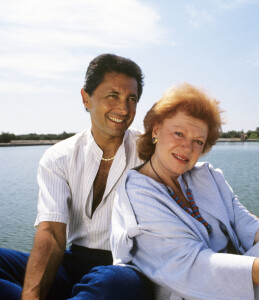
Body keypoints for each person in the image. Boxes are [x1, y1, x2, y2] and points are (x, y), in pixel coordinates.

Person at [110, 83, 259, 300]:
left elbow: (248, 226)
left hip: (240, 282)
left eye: (197, 141)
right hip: (191, 294)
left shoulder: (207, 177)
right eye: (178, 133)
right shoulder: (137, 195)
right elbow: (193, 268)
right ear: (156, 130)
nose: (187, 147)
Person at [0, 54, 153, 300]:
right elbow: (51, 232)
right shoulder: (59, 157)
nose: (123, 109)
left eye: (131, 99)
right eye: (113, 96)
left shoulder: (150, 152)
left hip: (125, 269)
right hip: (74, 261)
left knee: (108, 282)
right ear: (86, 98)